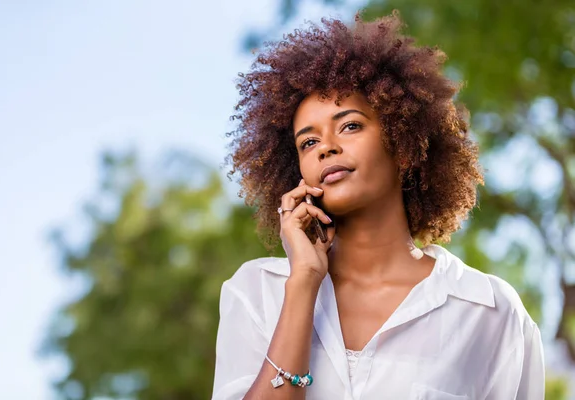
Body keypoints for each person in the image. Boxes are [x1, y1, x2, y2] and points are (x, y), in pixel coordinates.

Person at [212, 10, 545, 400]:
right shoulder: (256, 292)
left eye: (350, 125)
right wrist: (303, 283)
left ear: (403, 141)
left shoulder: (488, 310)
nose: (327, 148)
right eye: (308, 142)